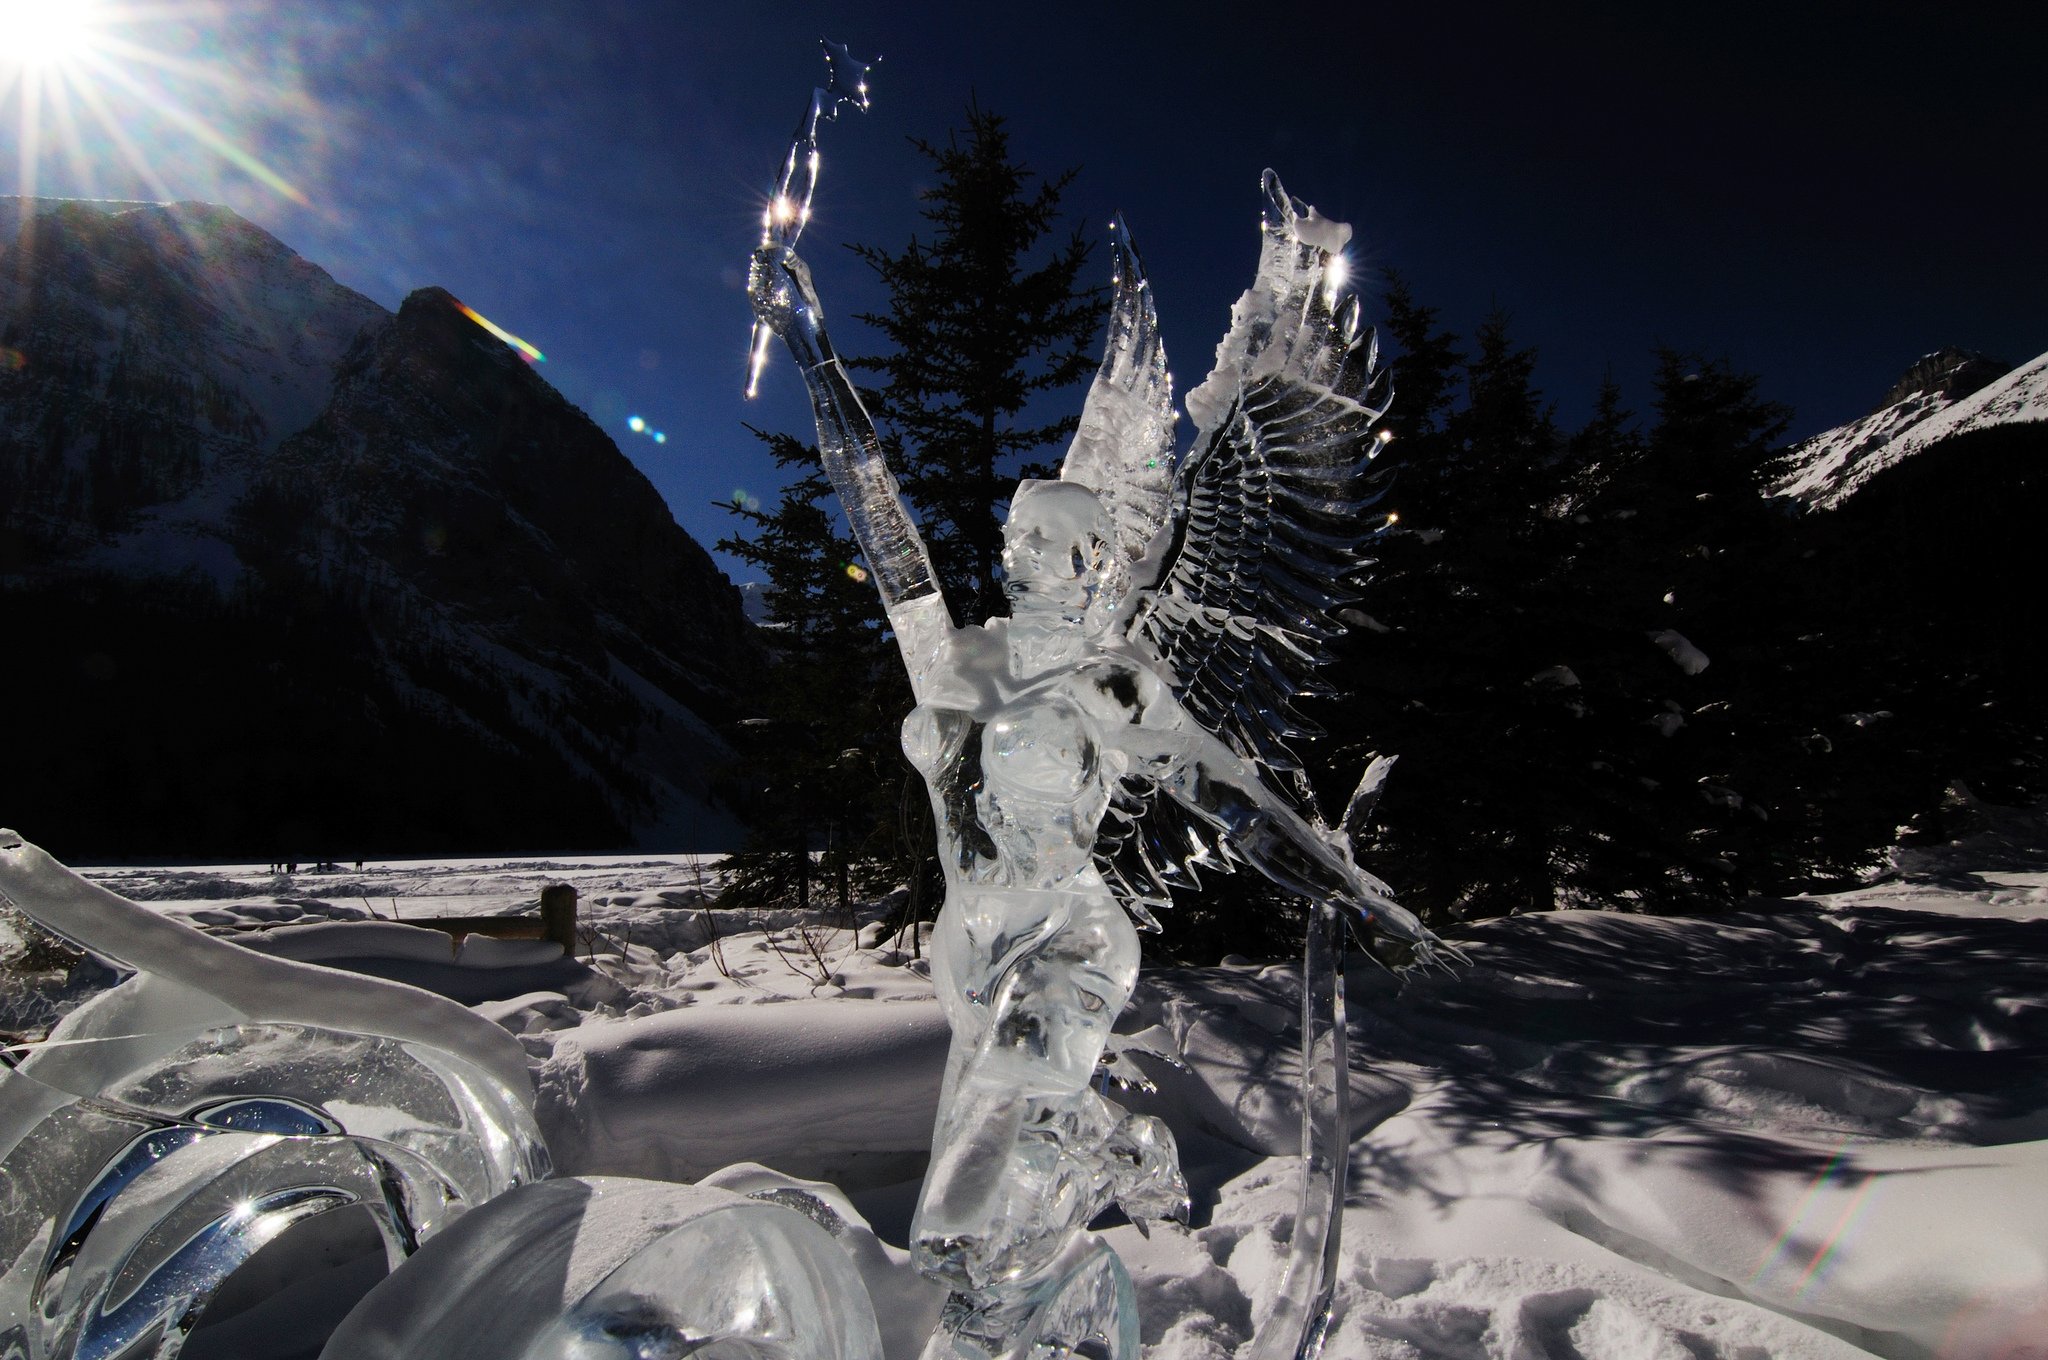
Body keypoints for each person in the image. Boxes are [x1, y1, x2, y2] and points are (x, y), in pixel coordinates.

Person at [749, 235, 1433, 1300]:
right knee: (986, 1208)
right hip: (966, 948)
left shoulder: (1110, 685)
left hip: (1064, 941)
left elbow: (1234, 801)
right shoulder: (962, 661)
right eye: (1016, 535)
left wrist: (1351, 895)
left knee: (955, 1225)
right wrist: (814, 354)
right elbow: (881, 527)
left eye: (1046, 543)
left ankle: (1072, 1173)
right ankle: (1094, 1154)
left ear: (1092, 566)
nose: (1018, 553)